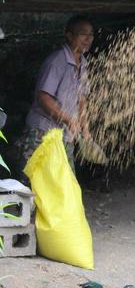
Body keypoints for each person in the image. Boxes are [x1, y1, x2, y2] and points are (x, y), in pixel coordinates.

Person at [15, 15, 93, 184]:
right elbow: (43, 97)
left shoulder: (84, 64)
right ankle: (26, 211)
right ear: (69, 36)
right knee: (32, 180)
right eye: (83, 34)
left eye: (91, 35)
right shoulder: (57, 61)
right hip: (42, 132)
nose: (88, 39)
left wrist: (85, 130)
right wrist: (68, 119)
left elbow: (82, 99)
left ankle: (58, 212)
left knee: (65, 181)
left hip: (65, 134)